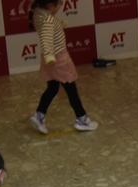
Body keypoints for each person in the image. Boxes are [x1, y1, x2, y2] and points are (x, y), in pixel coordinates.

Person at [28, 0, 99, 134]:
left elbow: (47, 30)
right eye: (59, 3)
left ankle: (39, 115)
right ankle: (82, 118)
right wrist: (50, 55)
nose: (61, 6)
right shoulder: (48, 20)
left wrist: (58, 23)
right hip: (58, 60)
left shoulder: (39, 14)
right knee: (71, 90)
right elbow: (46, 39)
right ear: (50, 5)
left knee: (53, 88)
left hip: (50, 61)